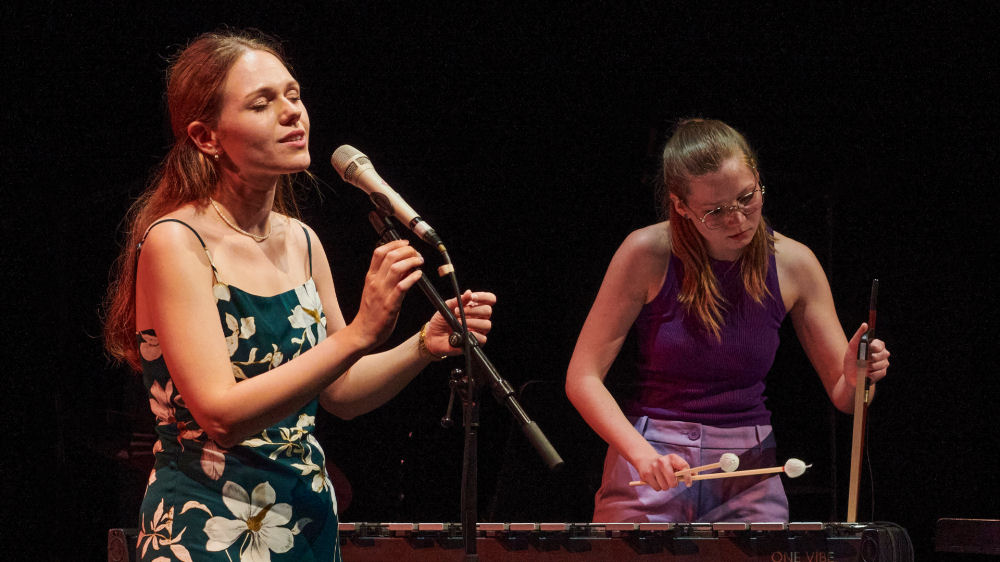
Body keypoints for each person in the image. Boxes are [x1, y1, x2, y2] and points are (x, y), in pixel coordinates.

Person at [103, 30, 495, 561]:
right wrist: (359, 333)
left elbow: (342, 392)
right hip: (210, 530)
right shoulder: (177, 241)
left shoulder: (301, 240)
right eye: (262, 103)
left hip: (306, 523)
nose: (292, 113)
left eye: (293, 94)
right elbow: (220, 415)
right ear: (206, 136)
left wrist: (422, 345)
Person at [565, 118, 890, 523]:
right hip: (655, 458)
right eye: (715, 211)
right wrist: (642, 455)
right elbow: (582, 376)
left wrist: (860, 378)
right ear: (680, 205)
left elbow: (846, 397)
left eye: (747, 198)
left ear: (757, 178)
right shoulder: (646, 253)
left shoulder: (794, 264)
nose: (737, 220)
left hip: (749, 466)